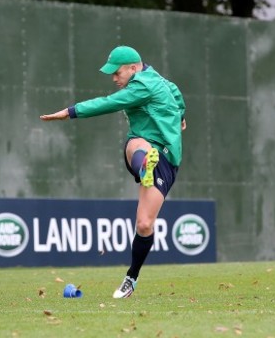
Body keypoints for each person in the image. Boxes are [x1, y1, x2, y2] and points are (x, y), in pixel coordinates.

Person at [40, 45, 186, 298]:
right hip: (156, 152)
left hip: (163, 158)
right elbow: (176, 91)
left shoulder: (141, 86)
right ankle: (143, 166)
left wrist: (70, 112)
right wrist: (182, 114)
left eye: (117, 73)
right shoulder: (158, 78)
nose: (114, 78)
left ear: (133, 68)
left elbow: (110, 103)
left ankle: (143, 165)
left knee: (143, 218)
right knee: (137, 150)